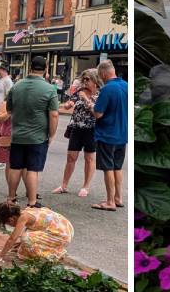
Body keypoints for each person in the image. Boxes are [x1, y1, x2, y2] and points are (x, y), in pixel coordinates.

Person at [5, 56, 59, 207]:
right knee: (32, 169)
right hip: (38, 136)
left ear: (30, 67)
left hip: (18, 135)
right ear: (46, 69)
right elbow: (54, 114)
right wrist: (51, 134)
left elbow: (9, 109)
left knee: (15, 167)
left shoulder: (16, 86)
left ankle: (10, 199)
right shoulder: (49, 89)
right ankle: (32, 202)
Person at [53, 68, 102, 197]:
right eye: (83, 79)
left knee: (89, 158)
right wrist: (67, 104)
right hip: (76, 127)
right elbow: (70, 103)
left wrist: (86, 98)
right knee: (71, 157)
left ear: (95, 81)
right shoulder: (79, 91)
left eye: (87, 79)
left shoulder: (100, 94)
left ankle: (86, 186)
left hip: (91, 129)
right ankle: (64, 185)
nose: (84, 82)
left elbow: (97, 113)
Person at [91, 61, 127, 212]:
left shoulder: (107, 89)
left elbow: (98, 113)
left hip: (107, 134)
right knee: (117, 167)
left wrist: (91, 106)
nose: (100, 78)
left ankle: (110, 201)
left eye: (100, 76)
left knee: (108, 168)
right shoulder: (126, 85)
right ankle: (118, 198)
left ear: (104, 73)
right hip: (122, 133)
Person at [0, 200, 74, 263]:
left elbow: (12, 238)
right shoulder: (27, 210)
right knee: (23, 243)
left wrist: (0, 256)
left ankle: (54, 255)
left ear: (11, 219)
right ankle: (53, 249)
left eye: (8, 223)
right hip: (66, 227)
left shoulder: (24, 217)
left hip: (62, 235)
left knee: (26, 238)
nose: (10, 225)